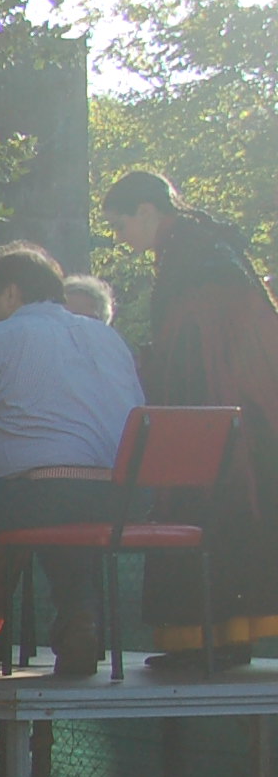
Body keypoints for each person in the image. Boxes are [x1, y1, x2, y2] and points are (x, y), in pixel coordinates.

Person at [0, 244, 145, 677]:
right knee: (58, 508)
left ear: (12, 294)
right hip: (117, 496)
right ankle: (80, 622)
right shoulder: (107, 336)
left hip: (42, 491)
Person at [104, 169, 278, 658]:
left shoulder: (191, 255)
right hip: (245, 409)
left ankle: (208, 638)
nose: (120, 238)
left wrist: (163, 379)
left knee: (207, 504)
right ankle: (223, 636)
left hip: (213, 409)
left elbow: (201, 341)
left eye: (121, 225)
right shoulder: (204, 243)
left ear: (147, 211)